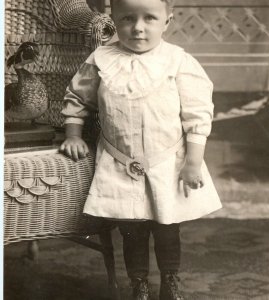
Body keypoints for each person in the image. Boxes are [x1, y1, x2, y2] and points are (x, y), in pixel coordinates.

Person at [60, 0, 222, 299]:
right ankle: (140, 284)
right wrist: (74, 133)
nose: (138, 27)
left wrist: (193, 162)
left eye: (149, 18)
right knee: (131, 229)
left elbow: (197, 113)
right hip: (119, 162)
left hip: (166, 161)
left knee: (166, 226)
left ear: (167, 21)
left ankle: (170, 280)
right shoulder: (102, 58)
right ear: (113, 19)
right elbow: (78, 98)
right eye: (127, 18)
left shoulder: (177, 61)